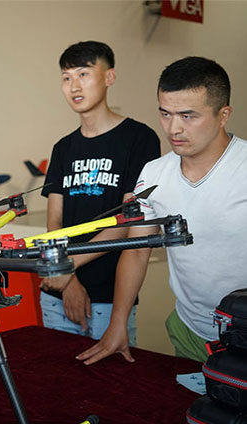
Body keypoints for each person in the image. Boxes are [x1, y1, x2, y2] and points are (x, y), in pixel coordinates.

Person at [76, 56, 247, 365]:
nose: (174, 128)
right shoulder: (154, 174)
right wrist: (118, 322)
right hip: (190, 328)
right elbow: (137, 251)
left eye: (188, 116)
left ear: (223, 115)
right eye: (165, 114)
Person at [39, 41, 160, 344]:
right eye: (66, 78)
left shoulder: (140, 139)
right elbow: (54, 222)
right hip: (57, 292)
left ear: (109, 77)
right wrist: (68, 281)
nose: (74, 86)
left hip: (110, 297)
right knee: (53, 372)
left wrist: (69, 266)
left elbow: (129, 220)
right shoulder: (63, 148)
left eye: (84, 74)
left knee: (111, 374)